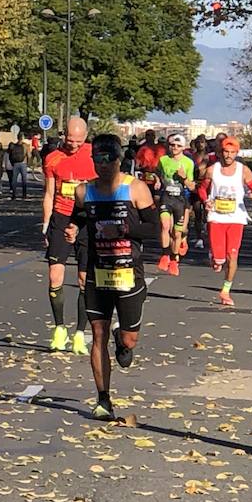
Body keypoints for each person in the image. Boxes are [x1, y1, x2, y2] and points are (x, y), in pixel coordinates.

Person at [64, 134, 157, 420]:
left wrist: (125, 232)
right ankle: (103, 399)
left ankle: (123, 338)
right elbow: (80, 216)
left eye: (108, 160)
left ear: (119, 160)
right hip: (97, 272)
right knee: (97, 335)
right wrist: (72, 228)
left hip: (129, 272)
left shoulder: (136, 189)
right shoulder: (83, 191)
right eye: (98, 160)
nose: (103, 165)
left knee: (129, 340)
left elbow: (153, 228)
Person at [41, 116, 96, 354]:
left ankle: (80, 334)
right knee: (55, 275)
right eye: (70, 140)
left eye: (79, 141)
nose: (74, 145)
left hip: (87, 220)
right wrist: (46, 223)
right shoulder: (53, 158)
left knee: (85, 280)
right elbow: (49, 193)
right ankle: (59, 328)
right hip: (61, 218)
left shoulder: (95, 157)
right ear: (64, 134)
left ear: (85, 137)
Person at [196, 135, 252, 306]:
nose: (228, 155)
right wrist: (206, 201)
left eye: (232, 152)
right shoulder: (212, 170)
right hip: (216, 216)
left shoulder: (243, 170)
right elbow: (202, 189)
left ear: (236, 153)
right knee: (219, 259)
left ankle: (225, 291)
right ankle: (216, 258)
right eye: (226, 151)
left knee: (232, 255)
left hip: (236, 217)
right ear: (220, 152)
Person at [154, 132, 195, 275]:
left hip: (180, 200)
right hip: (167, 197)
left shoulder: (188, 163)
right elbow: (157, 172)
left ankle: (173, 259)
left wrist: (184, 178)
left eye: (178, 146)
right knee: (165, 226)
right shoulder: (163, 160)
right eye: (172, 145)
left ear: (183, 147)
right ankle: (165, 254)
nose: (175, 148)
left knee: (177, 233)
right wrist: (158, 181)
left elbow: (192, 186)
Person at [7, 135, 31, 200]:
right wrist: (28, 164)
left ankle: (14, 195)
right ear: (22, 138)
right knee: (24, 180)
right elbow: (29, 155)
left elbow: (10, 156)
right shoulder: (25, 146)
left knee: (14, 180)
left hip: (15, 164)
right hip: (23, 163)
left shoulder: (14, 146)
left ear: (17, 138)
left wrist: (12, 163)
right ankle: (24, 195)